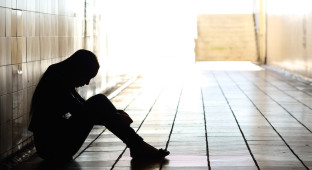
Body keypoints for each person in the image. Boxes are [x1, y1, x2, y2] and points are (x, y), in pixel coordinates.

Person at [28, 49, 169, 162]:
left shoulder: (60, 75)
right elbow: (82, 111)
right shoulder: (56, 80)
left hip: (55, 143)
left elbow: (83, 108)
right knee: (98, 101)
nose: (87, 83)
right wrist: (116, 117)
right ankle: (137, 145)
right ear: (78, 69)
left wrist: (116, 114)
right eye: (87, 76)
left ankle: (136, 146)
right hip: (53, 148)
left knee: (98, 101)